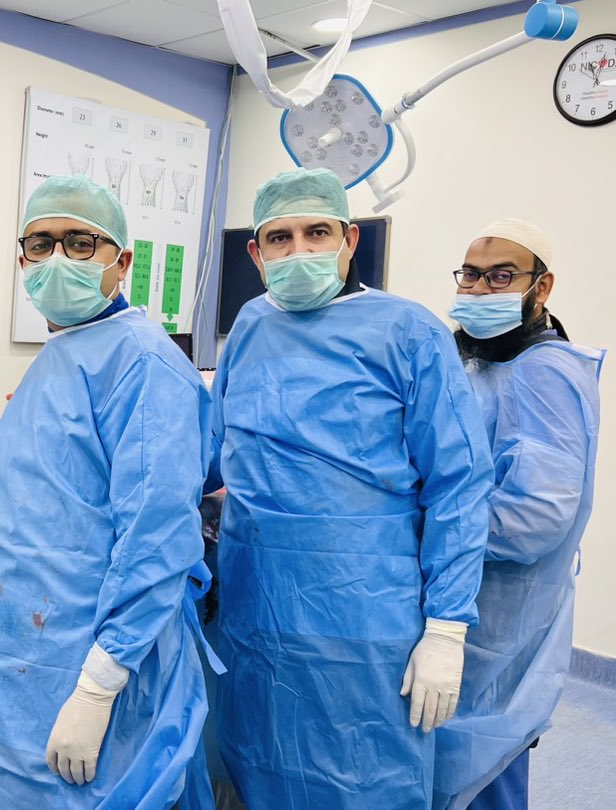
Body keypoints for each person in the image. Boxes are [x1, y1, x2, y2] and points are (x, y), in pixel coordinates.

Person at [0, 174, 214, 808]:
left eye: (80, 242)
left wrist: (100, 685)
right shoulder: (65, 354)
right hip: (27, 659)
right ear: (23, 261)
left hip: (99, 663)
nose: (57, 259)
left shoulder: (144, 365)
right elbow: (62, 495)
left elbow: (156, 538)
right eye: (40, 244)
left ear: (122, 261)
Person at [207, 167, 493, 809]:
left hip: (363, 618)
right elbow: (214, 447)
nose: (298, 250)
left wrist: (447, 627)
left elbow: (459, 485)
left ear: (349, 238)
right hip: (257, 607)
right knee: (260, 765)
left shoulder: (409, 332)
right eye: (279, 238)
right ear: (256, 252)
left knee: (364, 780)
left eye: (317, 232)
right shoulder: (250, 325)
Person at [433, 219, 604, 810]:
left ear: (542, 286)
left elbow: (534, 519)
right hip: (456, 597)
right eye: (471, 275)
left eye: (501, 277)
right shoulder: (475, 361)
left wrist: (423, 524)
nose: (480, 290)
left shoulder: (544, 373)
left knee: (485, 763)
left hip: (499, 616)